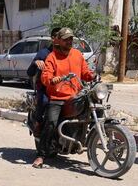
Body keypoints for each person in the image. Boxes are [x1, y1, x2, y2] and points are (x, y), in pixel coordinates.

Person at [34, 27, 96, 168]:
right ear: (59, 40)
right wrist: (52, 79)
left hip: (76, 95)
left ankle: (94, 138)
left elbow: (85, 71)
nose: (70, 41)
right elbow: (45, 75)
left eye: (71, 38)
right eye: (66, 39)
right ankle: (41, 154)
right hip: (58, 96)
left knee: (96, 109)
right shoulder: (52, 57)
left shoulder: (77, 54)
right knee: (51, 123)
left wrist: (91, 75)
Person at [26, 27, 61, 134]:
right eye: (58, 37)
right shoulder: (44, 53)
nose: (61, 40)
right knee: (44, 101)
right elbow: (30, 72)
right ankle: (38, 123)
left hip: (63, 87)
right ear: (53, 38)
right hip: (45, 87)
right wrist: (35, 63)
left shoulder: (67, 54)